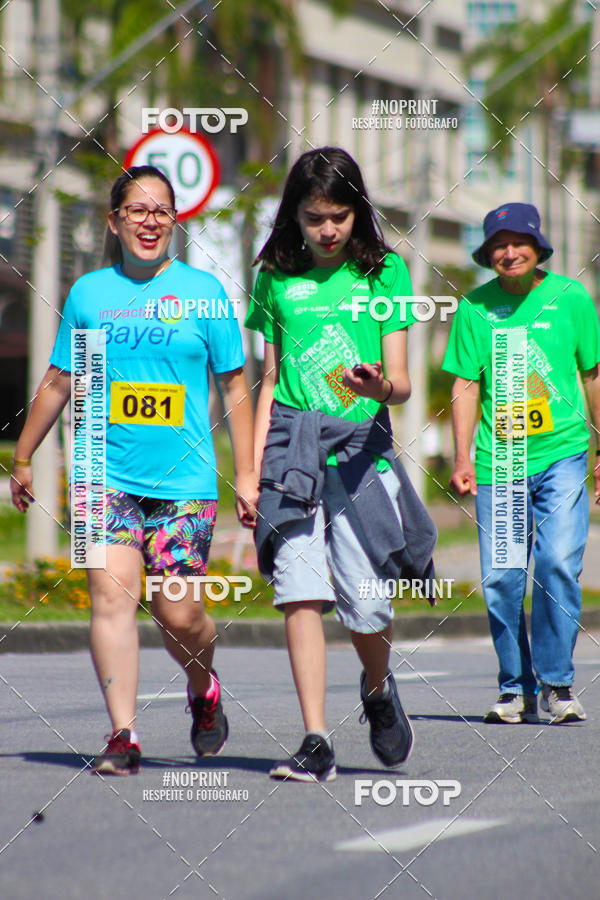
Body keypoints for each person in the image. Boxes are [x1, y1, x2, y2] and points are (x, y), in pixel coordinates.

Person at [10, 165, 258, 774]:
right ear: (115, 221)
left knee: (179, 611)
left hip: (185, 482)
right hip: (101, 470)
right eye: (137, 210)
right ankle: (123, 734)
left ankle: (203, 688)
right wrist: (22, 455)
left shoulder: (205, 292)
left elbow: (234, 386)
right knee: (110, 599)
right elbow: (61, 378)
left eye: (161, 211)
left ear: (176, 220)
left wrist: (247, 475)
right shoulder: (90, 294)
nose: (150, 221)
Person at [245, 147, 436, 781]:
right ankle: (315, 738)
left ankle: (378, 688)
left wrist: (377, 386)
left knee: (367, 603)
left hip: (361, 448)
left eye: (340, 215)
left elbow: (403, 385)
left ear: (358, 212)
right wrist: (250, 470)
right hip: (291, 446)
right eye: (314, 217)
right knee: (298, 590)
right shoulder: (273, 274)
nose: (328, 230)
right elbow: (268, 378)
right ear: (294, 217)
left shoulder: (386, 273)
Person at [443, 202, 600, 725]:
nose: (509, 253)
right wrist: (462, 455)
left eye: (519, 242)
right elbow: (465, 384)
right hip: (501, 459)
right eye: (498, 245)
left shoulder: (570, 298)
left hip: (562, 453)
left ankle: (557, 684)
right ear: (488, 253)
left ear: (538, 248)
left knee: (557, 561)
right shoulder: (474, 308)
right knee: (505, 577)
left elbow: (593, 373)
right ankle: (515, 687)